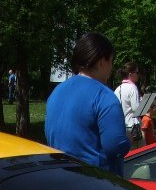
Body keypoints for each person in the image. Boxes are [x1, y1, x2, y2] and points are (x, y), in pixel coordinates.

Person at [44, 32, 131, 175]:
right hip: (97, 183)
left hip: (61, 177)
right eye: (111, 61)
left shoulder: (57, 92)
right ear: (102, 61)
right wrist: (128, 138)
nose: (111, 68)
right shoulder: (104, 96)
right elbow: (114, 146)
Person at [114, 62, 142, 148]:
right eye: (137, 73)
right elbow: (136, 109)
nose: (138, 75)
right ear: (130, 74)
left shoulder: (118, 89)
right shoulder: (132, 88)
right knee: (135, 154)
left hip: (120, 126)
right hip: (132, 128)